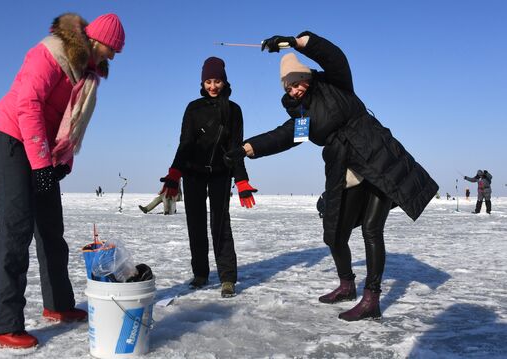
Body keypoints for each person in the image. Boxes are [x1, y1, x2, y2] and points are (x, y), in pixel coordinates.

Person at [225, 32, 438, 321]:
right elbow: (285, 136)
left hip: (376, 158)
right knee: (335, 234)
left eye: (297, 82)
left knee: (372, 230)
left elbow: (334, 56)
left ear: (307, 77)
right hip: (344, 170)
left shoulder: (336, 84)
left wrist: (298, 42)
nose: (294, 90)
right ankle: (346, 284)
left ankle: (371, 299)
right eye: (288, 87)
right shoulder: (302, 116)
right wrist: (247, 148)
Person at [0, 13, 125, 348]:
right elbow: (27, 106)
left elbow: (69, 123)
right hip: (9, 139)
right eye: (111, 48)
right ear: (94, 40)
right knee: (16, 228)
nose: (113, 56)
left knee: (50, 227)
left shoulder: (84, 73)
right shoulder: (50, 53)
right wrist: (40, 165)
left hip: (39, 149)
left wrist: (60, 164)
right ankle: (1, 323)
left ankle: (58, 304)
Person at [160, 57, 257, 298]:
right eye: (208, 81)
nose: (213, 86)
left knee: (221, 224)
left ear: (224, 82)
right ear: (202, 83)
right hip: (193, 173)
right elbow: (185, 142)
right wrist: (175, 174)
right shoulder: (194, 108)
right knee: (196, 224)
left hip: (220, 175)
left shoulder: (234, 110)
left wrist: (241, 179)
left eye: (217, 81)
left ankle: (227, 278)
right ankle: (201, 273)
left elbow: (236, 146)